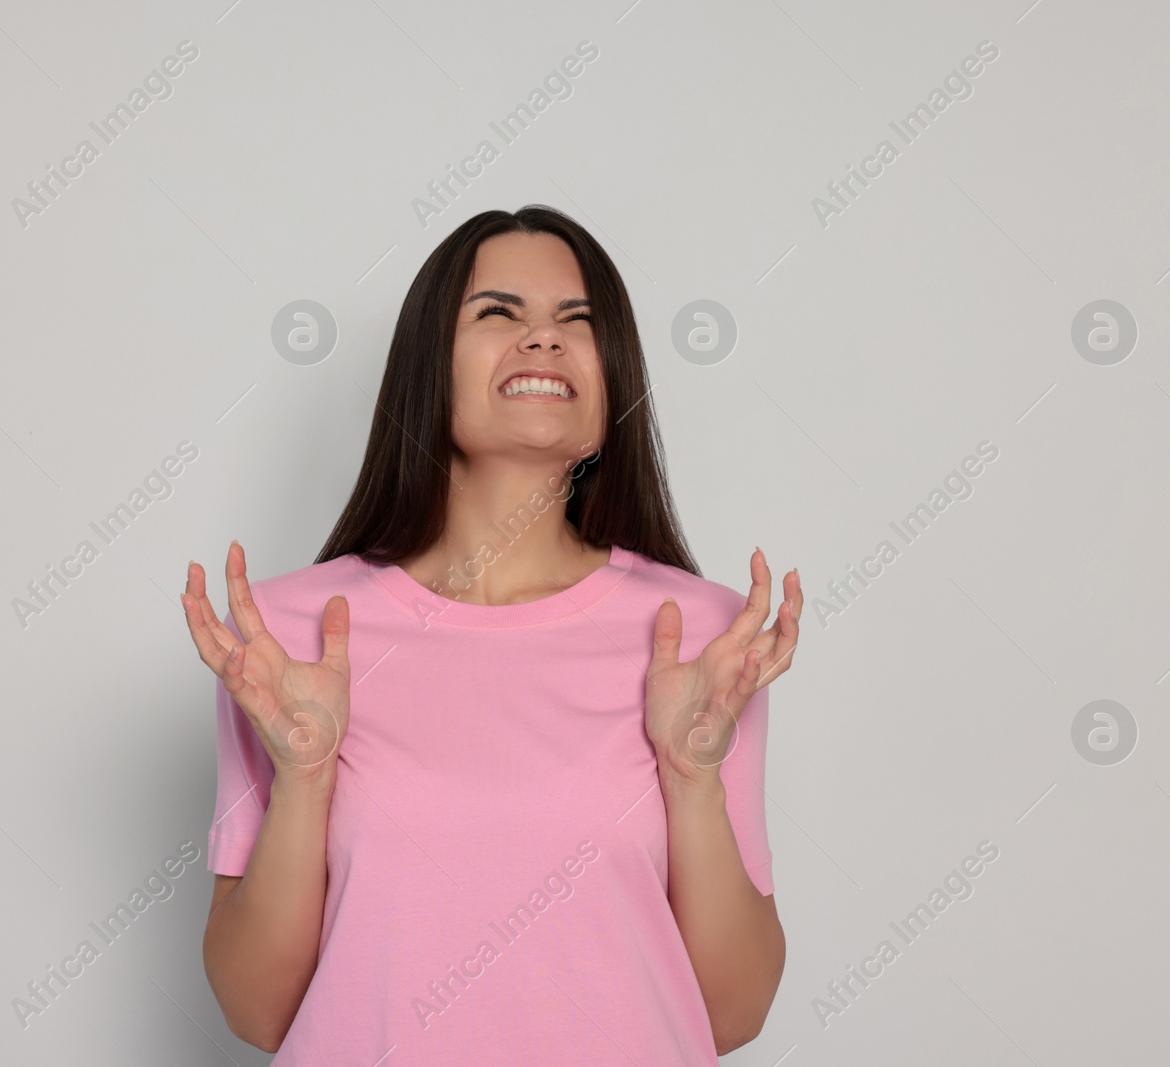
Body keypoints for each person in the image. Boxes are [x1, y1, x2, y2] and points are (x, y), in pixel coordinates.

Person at [182, 204, 801, 1065]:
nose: (543, 340)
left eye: (576, 322)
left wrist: (692, 774)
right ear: (428, 366)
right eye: (498, 313)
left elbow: (732, 1011)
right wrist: (304, 772)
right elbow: (257, 1008)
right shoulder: (288, 641)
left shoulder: (703, 640)